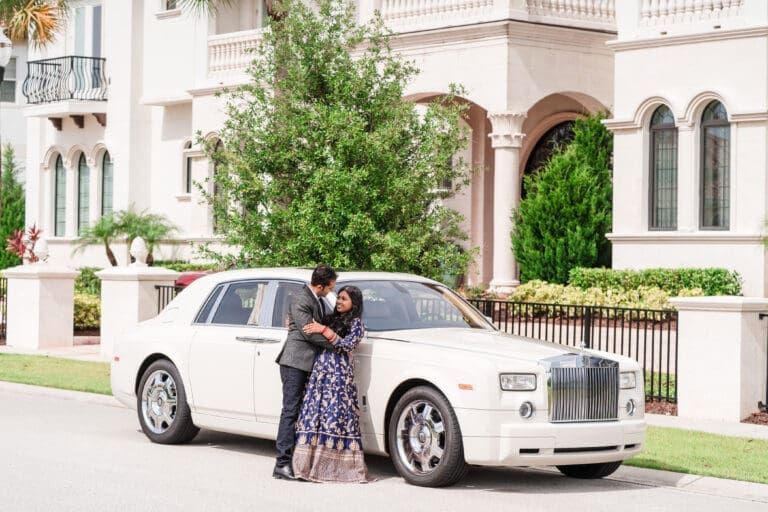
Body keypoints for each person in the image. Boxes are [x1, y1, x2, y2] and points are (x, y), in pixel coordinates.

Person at [292, 285, 369, 483]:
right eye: (338, 298)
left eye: (344, 299)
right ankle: (305, 467)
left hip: (339, 377)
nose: (339, 302)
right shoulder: (330, 318)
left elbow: (346, 345)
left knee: (335, 417)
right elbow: (308, 326)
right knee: (315, 415)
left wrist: (324, 330)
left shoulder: (357, 324)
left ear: (355, 303)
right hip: (320, 373)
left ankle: (336, 470)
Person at [273, 264, 338, 480]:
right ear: (320, 285)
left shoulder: (317, 299)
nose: (331, 291)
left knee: (299, 411)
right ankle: (281, 464)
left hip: (305, 363)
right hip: (294, 362)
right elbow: (309, 334)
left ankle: (294, 460)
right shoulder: (301, 299)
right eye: (330, 288)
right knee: (290, 411)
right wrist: (337, 344)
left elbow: (325, 322)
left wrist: (332, 328)